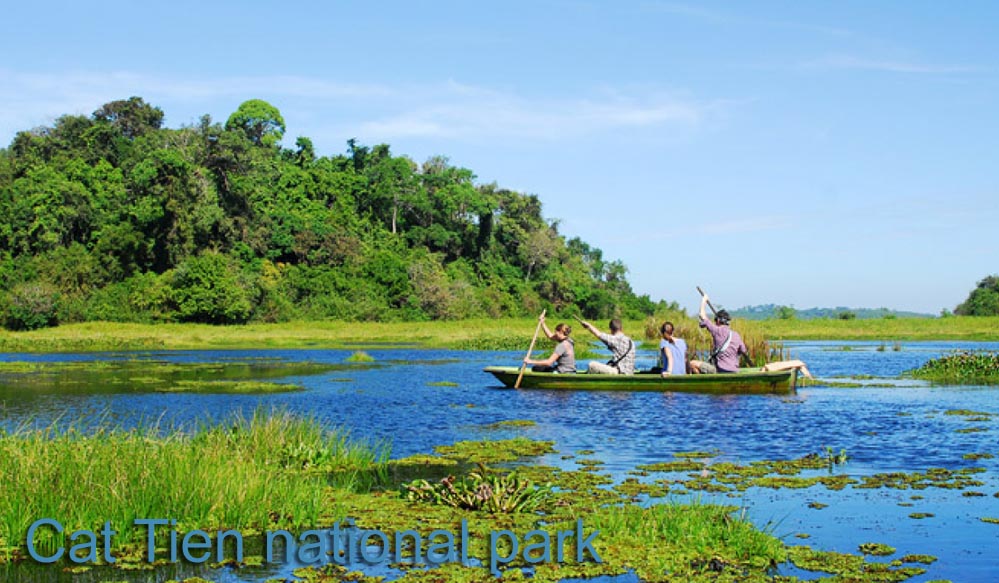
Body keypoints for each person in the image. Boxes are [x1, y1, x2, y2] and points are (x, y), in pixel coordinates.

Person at [689, 294, 749, 374]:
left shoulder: (717, 330)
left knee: (692, 363)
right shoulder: (736, 335)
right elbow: (743, 350)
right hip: (734, 370)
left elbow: (702, 315)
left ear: (717, 321)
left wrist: (704, 300)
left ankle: (703, 383)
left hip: (720, 369)